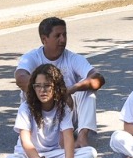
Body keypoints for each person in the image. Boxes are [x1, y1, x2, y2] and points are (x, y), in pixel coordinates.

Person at [14, 17, 106, 146]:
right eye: (57, 36)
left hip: (65, 114)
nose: (63, 40)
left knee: (88, 89)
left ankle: (82, 136)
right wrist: (54, 91)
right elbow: (20, 78)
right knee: (27, 91)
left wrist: (71, 89)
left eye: (64, 35)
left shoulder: (73, 58)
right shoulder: (31, 57)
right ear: (44, 39)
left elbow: (98, 78)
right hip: (40, 117)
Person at [6, 63, 96, 158]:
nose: (42, 90)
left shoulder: (62, 107)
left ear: (56, 87)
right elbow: (25, 141)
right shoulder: (26, 108)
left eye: (47, 86)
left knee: (90, 152)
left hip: (54, 154)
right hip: (30, 156)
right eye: (38, 86)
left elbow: (68, 137)